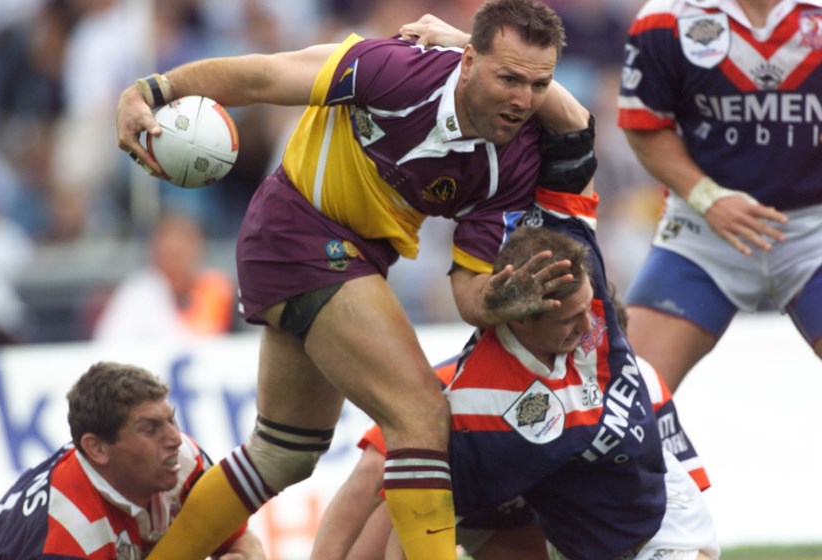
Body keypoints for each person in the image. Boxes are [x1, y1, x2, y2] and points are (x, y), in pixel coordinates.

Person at [115, 1, 595, 558]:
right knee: (420, 413)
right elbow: (264, 74)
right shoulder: (399, 69)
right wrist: (152, 91)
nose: (522, 100)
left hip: (354, 258)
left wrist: (497, 298)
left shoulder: (511, 164)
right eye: (508, 78)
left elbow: (468, 289)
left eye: (538, 85)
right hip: (294, 229)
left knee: (283, 453)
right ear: (466, 62)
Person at [312, 303, 712, 560]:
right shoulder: (458, 393)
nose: (584, 336)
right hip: (468, 500)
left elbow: (687, 493)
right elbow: (371, 478)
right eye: (574, 328)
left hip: (537, 509)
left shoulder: (638, 378)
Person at [616, 0, 822, 392]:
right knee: (627, 396)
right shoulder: (665, 18)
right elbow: (645, 124)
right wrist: (708, 198)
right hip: (702, 232)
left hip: (815, 233)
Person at [0, 361, 264, 560]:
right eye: (150, 429)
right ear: (97, 449)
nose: (175, 439)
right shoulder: (71, 531)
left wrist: (243, 554)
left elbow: (240, 538)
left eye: (171, 420)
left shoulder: (184, 462)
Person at [92, 213, 235, 342]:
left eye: (182, 254)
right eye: (170, 255)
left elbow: (211, 338)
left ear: (199, 249)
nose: (176, 264)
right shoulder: (141, 292)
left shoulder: (215, 286)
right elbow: (109, 343)